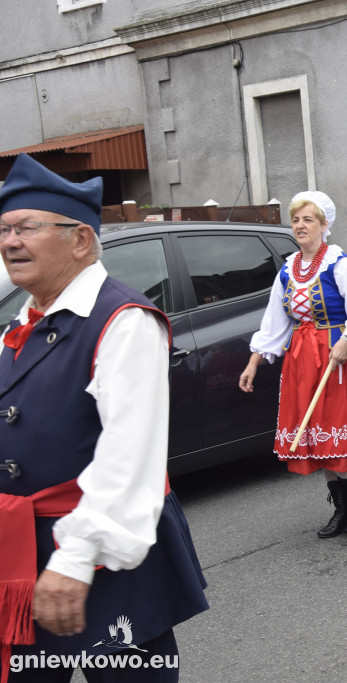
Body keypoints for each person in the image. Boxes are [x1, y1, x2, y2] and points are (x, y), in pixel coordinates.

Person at [0, 153, 208, 681]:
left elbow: (129, 454)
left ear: (80, 240)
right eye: (3, 230)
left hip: (103, 554)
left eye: (26, 228)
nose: (9, 242)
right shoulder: (18, 326)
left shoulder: (124, 321)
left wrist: (74, 560)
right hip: (22, 555)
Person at [240, 191, 347, 538]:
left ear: (324, 225)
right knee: (313, 437)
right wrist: (254, 361)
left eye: (307, 219)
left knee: (332, 432)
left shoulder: (339, 264)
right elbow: (274, 322)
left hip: (337, 360)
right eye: (296, 219)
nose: (300, 225)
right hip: (301, 361)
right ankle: (342, 505)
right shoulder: (287, 269)